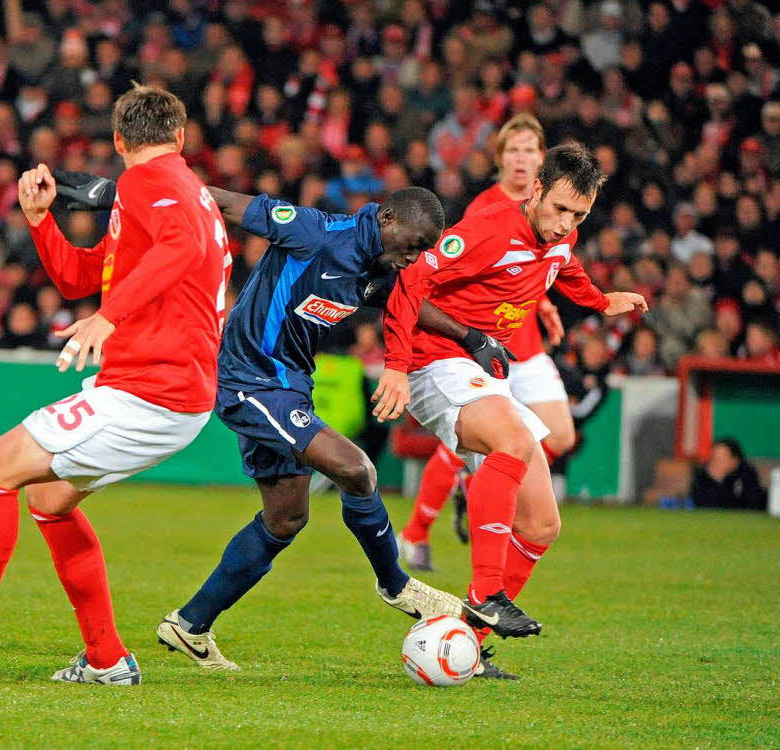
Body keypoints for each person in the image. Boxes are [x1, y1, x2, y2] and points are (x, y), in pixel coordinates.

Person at [0, 85, 230, 686]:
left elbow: (180, 251)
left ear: (118, 141)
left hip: (150, 389)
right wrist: (41, 221)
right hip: (172, 392)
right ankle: (108, 660)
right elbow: (84, 275)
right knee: (48, 500)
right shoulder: (186, 192)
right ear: (182, 136)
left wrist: (108, 319)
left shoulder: (147, 183)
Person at [153, 184, 497, 670]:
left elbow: (406, 305)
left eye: (426, 249)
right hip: (248, 378)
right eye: (416, 243)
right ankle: (396, 585)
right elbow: (223, 201)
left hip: (289, 385)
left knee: (286, 518)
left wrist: (472, 337)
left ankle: (190, 625)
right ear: (388, 217)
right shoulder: (314, 231)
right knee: (356, 470)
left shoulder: (373, 267)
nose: (418, 255)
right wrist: (135, 190)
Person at [373, 143, 648, 679]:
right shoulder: (488, 229)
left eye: (579, 215)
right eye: (560, 209)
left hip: (483, 371)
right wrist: (395, 365)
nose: (565, 223)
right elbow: (407, 283)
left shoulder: (561, 235)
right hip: (437, 362)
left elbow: (562, 266)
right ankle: (487, 592)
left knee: (542, 523)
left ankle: (467, 647)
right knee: (516, 440)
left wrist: (597, 301)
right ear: (537, 190)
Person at [399, 115, 577, 570]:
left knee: (560, 433)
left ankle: (479, 487)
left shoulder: (563, 208)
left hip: (525, 338)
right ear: (500, 158)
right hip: (478, 344)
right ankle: (420, 532)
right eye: (513, 150)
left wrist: (544, 303)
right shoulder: (487, 207)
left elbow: (533, 270)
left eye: (530, 151)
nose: (522, 159)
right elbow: (471, 271)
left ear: (543, 162)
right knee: (488, 436)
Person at [691, 439, 768, 511]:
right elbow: (703, 507)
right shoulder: (702, 476)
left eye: (721, 459)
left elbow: (752, 506)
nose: (715, 463)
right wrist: (716, 482)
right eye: (713, 458)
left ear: (734, 461)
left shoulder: (747, 475)